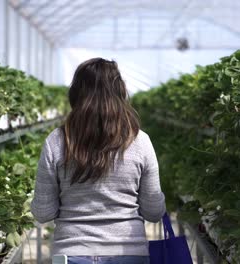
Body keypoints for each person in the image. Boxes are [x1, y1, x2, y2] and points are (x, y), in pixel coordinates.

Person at [31, 58, 166, 264]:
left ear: (76, 93)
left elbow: (43, 213)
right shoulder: (140, 141)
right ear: (120, 92)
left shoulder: (57, 141)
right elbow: (154, 212)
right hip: (129, 254)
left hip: (70, 254)